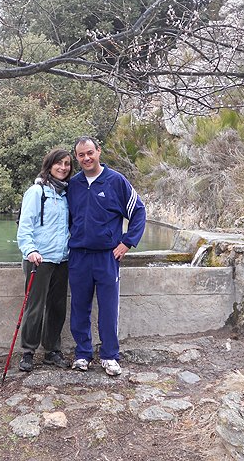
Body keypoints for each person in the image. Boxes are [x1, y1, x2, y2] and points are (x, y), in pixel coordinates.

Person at [67, 135, 146, 376]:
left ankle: (110, 356)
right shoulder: (73, 185)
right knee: (79, 307)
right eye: (81, 155)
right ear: (77, 157)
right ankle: (82, 354)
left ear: (98, 151)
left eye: (90, 153)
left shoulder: (116, 181)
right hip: (79, 256)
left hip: (107, 257)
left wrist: (127, 243)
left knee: (109, 309)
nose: (86, 158)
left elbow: (139, 211)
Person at [16, 148, 73, 372]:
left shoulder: (67, 195)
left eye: (67, 164)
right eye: (59, 163)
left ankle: (52, 351)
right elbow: (25, 226)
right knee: (35, 307)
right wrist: (30, 250)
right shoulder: (36, 192)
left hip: (62, 259)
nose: (63, 168)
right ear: (49, 165)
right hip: (38, 259)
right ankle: (28, 352)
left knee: (57, 307)